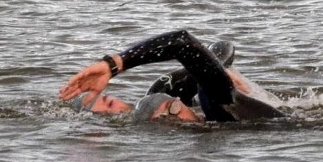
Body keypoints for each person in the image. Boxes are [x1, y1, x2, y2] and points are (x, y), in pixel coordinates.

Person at [58, 30, 285, 122]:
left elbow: (186, 43)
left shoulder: (216, 105)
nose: (175, 108)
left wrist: (115, 64)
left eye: (108, 101)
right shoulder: (211, 113)